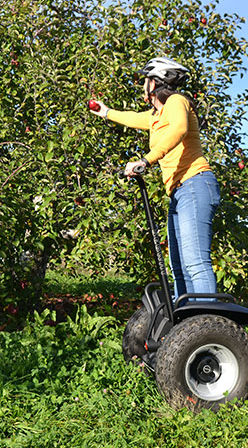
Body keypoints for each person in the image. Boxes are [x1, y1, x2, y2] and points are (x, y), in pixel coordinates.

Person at [90, 56, 220, 303]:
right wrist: (104, 112)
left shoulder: (177, 101)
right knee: (179, 267)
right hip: (180, 192)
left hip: (195, 182)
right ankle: (187, 328)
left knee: (195, 262)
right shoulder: (156, 116)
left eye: (145, 80)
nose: (142, 86)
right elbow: (132, 118)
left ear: (156, 82)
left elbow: (179, 129)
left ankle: (207, 323)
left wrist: (146, 160)